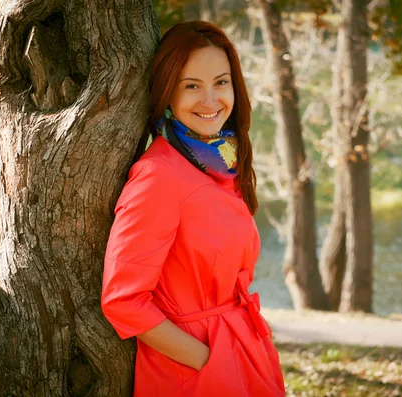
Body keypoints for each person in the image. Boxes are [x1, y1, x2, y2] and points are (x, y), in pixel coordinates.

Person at [101, 21, 286, 396]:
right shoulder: (159, 177)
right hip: (196, 374)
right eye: (191, 86)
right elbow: (123, 301)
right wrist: (210, 359)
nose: (210, 100)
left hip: (241, 352)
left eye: (220, 82)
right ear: (167, 92)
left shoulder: (220, 164)